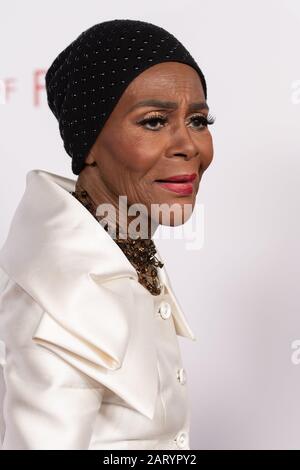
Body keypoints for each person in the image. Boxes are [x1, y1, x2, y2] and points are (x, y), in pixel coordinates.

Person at [0, 18, 214, 450]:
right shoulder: (62, 299)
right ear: (90, 142)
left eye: (199, 119)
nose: (189, 144)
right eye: (154, 121)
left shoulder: (121, 246)